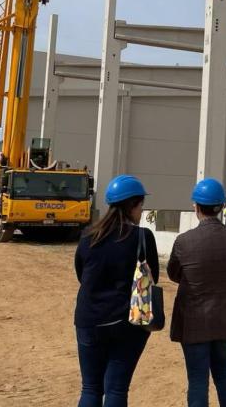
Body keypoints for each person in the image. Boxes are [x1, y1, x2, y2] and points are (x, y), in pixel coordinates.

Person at [74, 174, 158, 407]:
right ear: (132, 205)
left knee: (90, 387)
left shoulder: (89, 236)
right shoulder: (142, 237)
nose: (141, 211)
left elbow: (82, 274)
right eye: (141, 205)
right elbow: (153, 278)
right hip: (128, 322)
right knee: (116, 389)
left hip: (89, 319)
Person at [168, 178, 226, 407]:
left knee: (197, 380)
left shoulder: (184, 241)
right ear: (222, 207)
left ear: (196, 207)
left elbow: (174, 274)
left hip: (194, 321)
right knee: (224, 375)